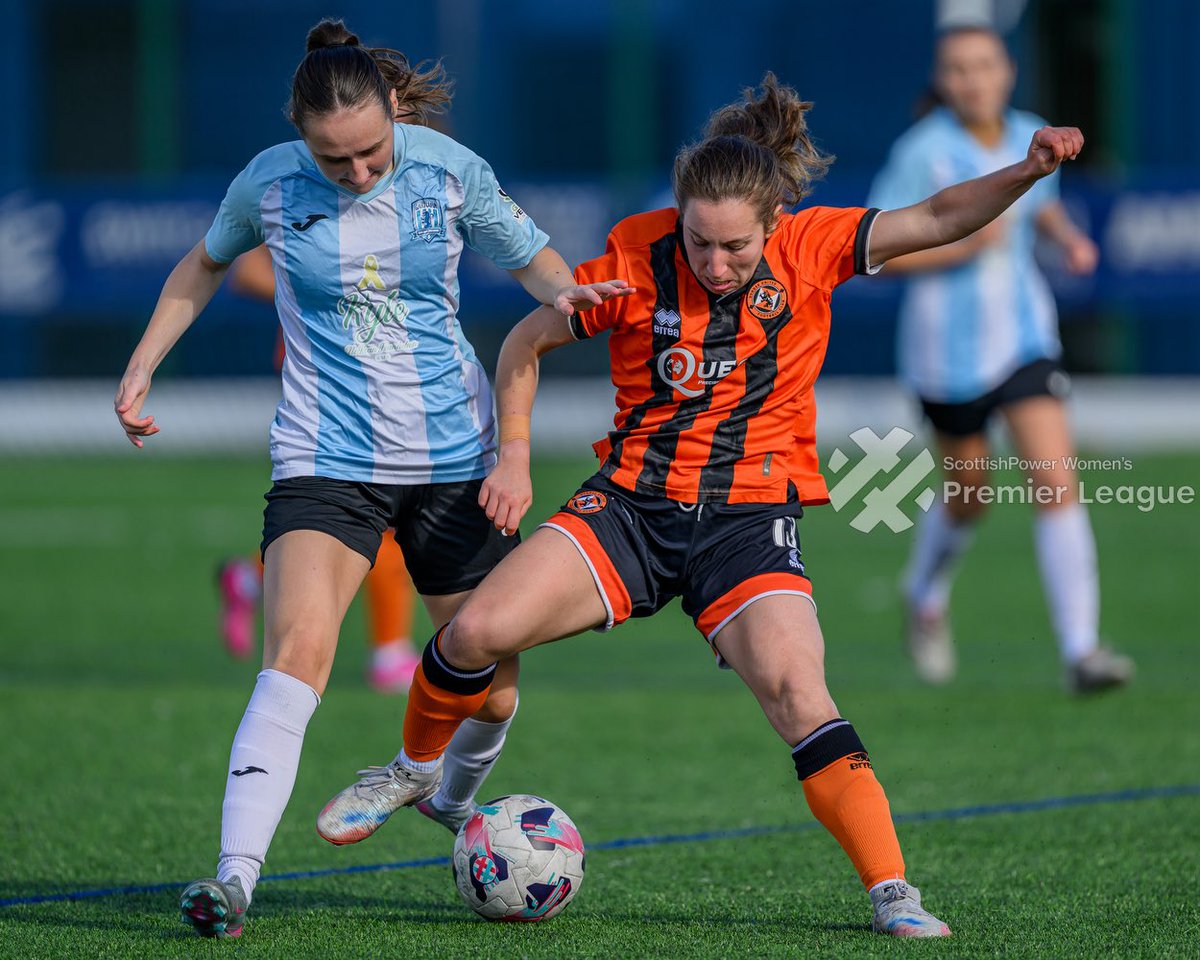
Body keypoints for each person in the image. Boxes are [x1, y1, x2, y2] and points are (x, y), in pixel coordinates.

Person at [315, 72, 1089, 939]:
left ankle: (892, 892)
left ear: (774, 227)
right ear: (676, 217)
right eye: (698, 244)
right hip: (630, 510)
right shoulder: (633, 255)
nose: (714, 266)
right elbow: (527, 342)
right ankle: (415, 772)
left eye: (736, 250)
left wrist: (1026, 172)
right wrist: (517, 456)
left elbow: (941, 216)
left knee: (801, 694)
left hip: (749, 522)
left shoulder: (816, 245)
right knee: (473, 633)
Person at [114, 18, 628, 939]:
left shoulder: (446, 167)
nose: (356, 173)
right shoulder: (267, 183)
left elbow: (533, 253)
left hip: (454, 461)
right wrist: (145, 361)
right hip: (325, 459)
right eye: (333, 158)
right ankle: (232, 882)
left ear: (396, 112)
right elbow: (204, 265)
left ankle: (436, 790)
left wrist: (566, 292)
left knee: (495, 689)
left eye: (369, 152)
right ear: (301, 137)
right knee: (297, 657)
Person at [867, 24, 1134, 693]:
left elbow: (1036, 204)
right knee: (969, 500)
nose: (972, 79)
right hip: (944, 356)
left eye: (983, 65)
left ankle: (1082, 651)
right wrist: (958, 246)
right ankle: (925, 596)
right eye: (957, 68)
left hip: (1024, 341)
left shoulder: (1030, 133)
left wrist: (1068, 238)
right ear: (942, 78)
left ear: (1007, 71)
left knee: (1055, 480)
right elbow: (870, 249)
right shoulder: (920, 151)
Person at [220, 237, 423, 694]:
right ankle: (390, 650)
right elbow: (247, 271)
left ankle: (250, 578)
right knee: (383, 504)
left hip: (377, 371)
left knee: (371, 506)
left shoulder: (392, 202)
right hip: (326, 373)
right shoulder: (307, 198)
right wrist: (319, 294)